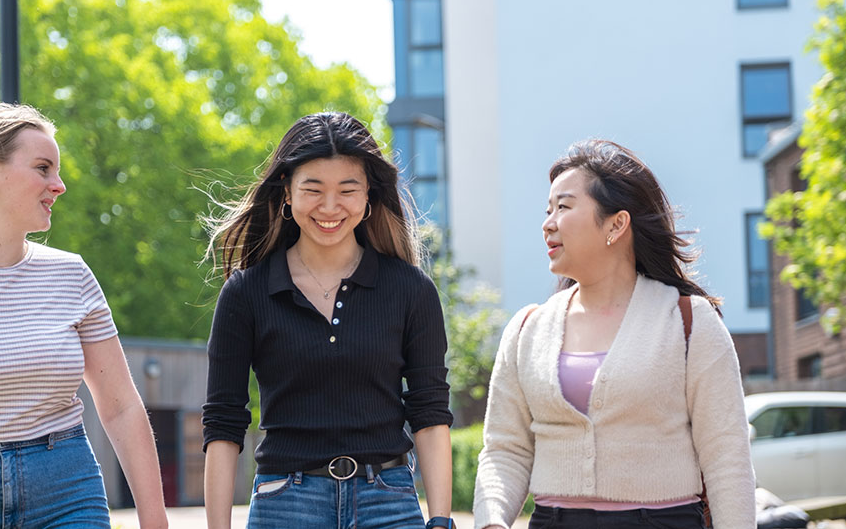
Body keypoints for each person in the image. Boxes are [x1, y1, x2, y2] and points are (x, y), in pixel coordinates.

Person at [0, 103, 168, 528]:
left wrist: (155, 519)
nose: (58, 185)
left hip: (66, 494)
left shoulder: (72, 275)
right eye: (43, 168)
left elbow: (122, 408)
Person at [473, 140, 755, 529]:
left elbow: (727, 458)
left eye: (564, 207)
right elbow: (505, 449)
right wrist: (491, 521)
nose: (548, 223)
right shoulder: (527, 329)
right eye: (548, 209)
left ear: (616, 224)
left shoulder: (689, 321)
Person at [202, 112, 455, 529]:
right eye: (313, 189)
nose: (330, 207)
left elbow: (429, 411)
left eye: (347, 190)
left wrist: (441, 520)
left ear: (369, 194)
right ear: (287, 191)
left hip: (389, 503)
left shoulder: (411, 289)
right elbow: (223, 421)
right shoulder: (246, 293)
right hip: (284, 505)